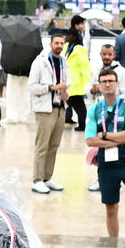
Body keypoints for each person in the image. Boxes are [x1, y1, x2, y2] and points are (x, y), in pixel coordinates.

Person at [85, 64, 125, 240]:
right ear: (99, 85)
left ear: (117, 84)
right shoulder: (95, 109)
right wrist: (117, 139)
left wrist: (104, 135)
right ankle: (113, 242)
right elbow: (90, 140)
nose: (108, 84)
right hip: (107, 164)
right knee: (111, 207)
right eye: (104, 81)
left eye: (111, 81)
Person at [26, 25, 72, 193]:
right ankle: (37, 179)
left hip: (60, 108)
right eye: (57, 43)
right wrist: (52, 88)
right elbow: (32, 87)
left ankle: (47, 177)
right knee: (42, 146)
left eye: (62, 43)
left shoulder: (63, 61)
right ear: (50, 43)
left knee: (54, 145)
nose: (59, 46)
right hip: (45, 110)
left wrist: (66, 93)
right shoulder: (40, 62)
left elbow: (68, 82)